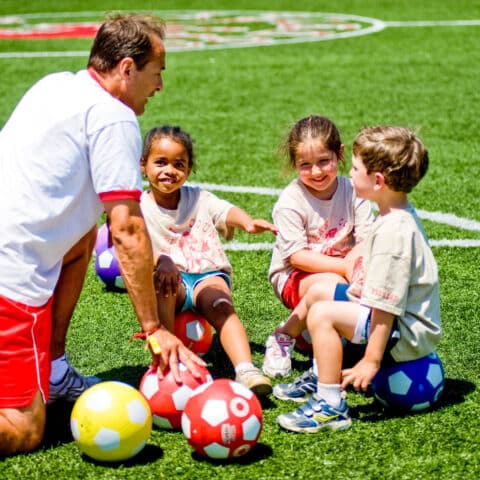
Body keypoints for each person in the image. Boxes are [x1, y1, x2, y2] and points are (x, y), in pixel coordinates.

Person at [0, 14, 204, 456]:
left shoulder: (56, 85)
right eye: (157, 72)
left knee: (81, 241)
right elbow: (127, 229)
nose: (160, 86)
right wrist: (154, 329)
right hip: (10, 284)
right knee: (24, 428)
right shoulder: (114, 118)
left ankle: (52, 369)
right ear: (128, 68)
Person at [276, 125, 442, 433]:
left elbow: (387, 308)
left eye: (354, 169)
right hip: (398, 320)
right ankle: (321, 372)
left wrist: (371, 360)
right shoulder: (392, 215)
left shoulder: (394, 232)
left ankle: (330, 404)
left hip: (405, 332)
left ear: (377, 181)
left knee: (323, 314)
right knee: (322, 296)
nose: (349, 175)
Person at [139, 125, 277, 396]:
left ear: (188, 170)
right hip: (170, 281)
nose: (169, 170)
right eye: (160, 162)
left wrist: (247, 222)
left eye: (179, 164)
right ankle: (168, 360)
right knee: (162, 286)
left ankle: (246, 370)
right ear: (143, 166)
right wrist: (160, 260)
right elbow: (135, 247)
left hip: (205, 275)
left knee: (221, 305)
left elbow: (225, 210)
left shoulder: (198, 198)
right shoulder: (139, 208)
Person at [262, 115, 373, 378]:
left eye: (324, 161)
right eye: (305, 165)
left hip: (343, 270)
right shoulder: (290, 201)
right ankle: (284, 335)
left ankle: (317, 333)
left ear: (340, 154)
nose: (316, 172)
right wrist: (347, 267)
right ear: (294, 163)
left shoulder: (354, 191)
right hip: (294, 276)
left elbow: (368, 240)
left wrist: (358, 266)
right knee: (330, 286)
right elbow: (298, 257)